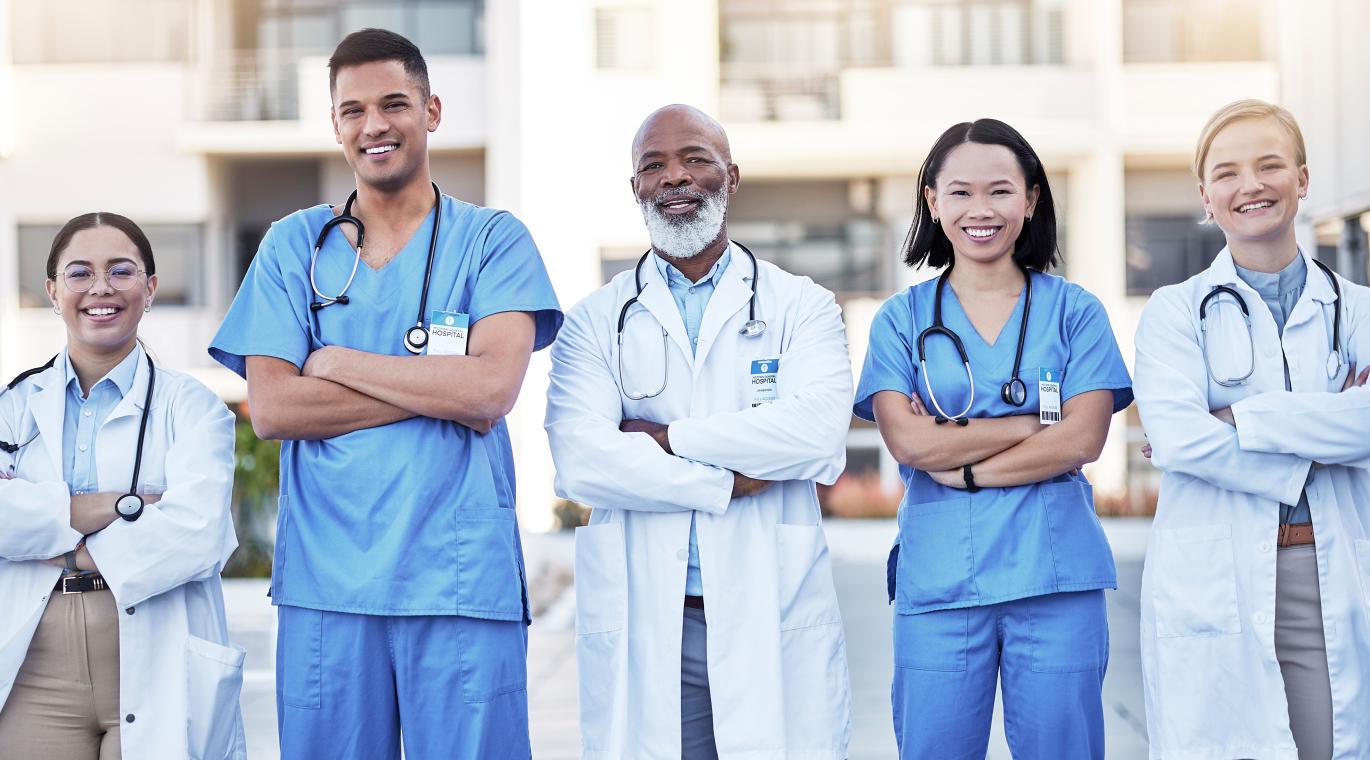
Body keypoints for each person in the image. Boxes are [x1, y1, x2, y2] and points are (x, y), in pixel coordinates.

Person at [209, 29, 561, 760]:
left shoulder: (494, 241)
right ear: (335, 125)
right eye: (353, 110)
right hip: (327, 586)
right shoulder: (293, 246)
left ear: (432, 110)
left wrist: (333, 360)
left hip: (458, 580)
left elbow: (493, 389)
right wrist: (442, 388)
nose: (374, 125)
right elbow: (274, 409)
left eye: (394, 103)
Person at [545, 104, 853, 759]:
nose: (674, 177)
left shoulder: (802, 307)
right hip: (652, 613)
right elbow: (582, 459)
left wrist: (668, 438)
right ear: (636, 189)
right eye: (653, 166)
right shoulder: (596, 321)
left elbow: (817, 435)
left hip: (769, 601)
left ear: (731, 176)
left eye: (695, 159)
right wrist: (725, 483)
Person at [854, 119, 1133, 759]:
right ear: (931, 201)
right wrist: (1033, 421)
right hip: (941, 583)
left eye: (1000, 191)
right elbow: (912, 446)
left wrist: (969, 465)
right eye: (960, 192)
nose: (981, 210)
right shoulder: (901, 320)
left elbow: (1083, 440)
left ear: (1031, 199)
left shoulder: (1076, 311)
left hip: (1055, 580)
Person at [1134, 99, 1370, 759]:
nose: (1251, 185)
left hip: (1334, 572)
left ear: (1302, 178)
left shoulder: (1357, 310)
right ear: (1206, 196)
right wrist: (1322, 442)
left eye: (1270, 165)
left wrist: (1241, 416)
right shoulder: (1174, 312)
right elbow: (1179, 438)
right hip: (1217, 573)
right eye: (1229, 172)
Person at [0, 213, 244, 759]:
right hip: (34, 670)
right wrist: (122, 506)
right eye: (80, 272)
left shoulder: (194, 407)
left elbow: (198, 532)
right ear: (52, 290)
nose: (100, 288)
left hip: (156, 651)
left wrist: (67, 545)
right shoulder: (11, 407)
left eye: (122, 271)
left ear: (150, 288)